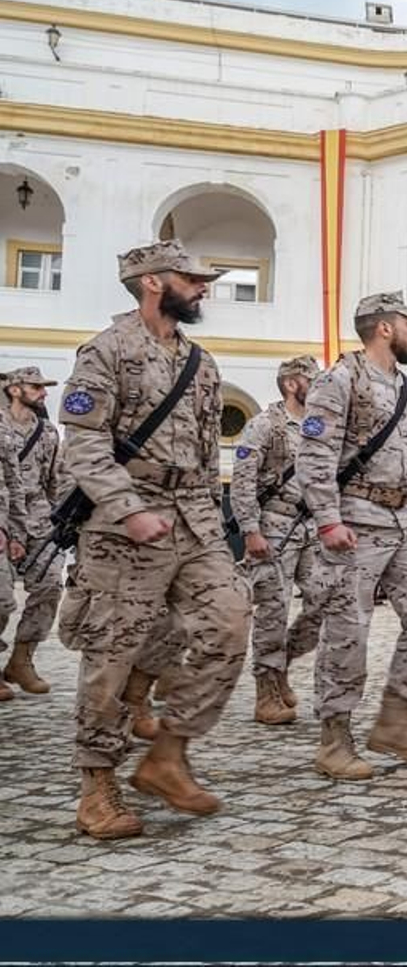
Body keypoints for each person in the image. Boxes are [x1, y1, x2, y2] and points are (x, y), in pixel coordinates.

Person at [57, 240, 251, 839]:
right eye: (190, 279)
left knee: (231, 622)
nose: (203, 287)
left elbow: (201, 452)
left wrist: (214, 522)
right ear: (151, 283)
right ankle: (96, 785)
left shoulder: (202, 362)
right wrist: (127, 508)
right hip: (126, 526)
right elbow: (84, 443)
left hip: (193, 518)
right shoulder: (106, 351)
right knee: (112, 654)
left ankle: (168, 754)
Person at [299, 291, 407, 780]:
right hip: (355, 520)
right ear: (385, 328)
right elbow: (316, 455)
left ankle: (395, 721)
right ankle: (334, 739)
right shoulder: (339, 380)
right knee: (348, 630)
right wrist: (327, 519)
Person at [231, 354, 322, 726]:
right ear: (291, 384)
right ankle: (266, 690)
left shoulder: (319, 427)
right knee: (273, 610)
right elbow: (242, 482)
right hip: (275, 527)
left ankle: (281, 663)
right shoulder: (264, 425)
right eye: (312, 380)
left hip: (313, 526)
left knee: (325, 600)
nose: (319, 387)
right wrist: (250, 530)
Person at [2, 367, 63, 697]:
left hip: (39, 516)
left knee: (52, 584)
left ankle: (22, 659)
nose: (43, 392)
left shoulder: (49, 433)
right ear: (14, 389)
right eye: (36, 386)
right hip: (2, 515)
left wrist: (57, 516)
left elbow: (54, 480)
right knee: (0, 597)